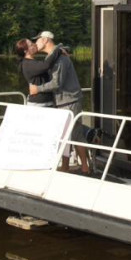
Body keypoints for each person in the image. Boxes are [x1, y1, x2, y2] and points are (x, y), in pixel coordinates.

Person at [29, 30, 95, 174]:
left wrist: (37, 89)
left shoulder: (60, 59)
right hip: (65, 100)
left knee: (74, 134)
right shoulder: (56, 56)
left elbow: (56, 83)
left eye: (38, 40)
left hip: (69, 100)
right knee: (68, 135)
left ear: (45, 40)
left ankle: (83, 168)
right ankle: (72, 167)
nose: (36, 43)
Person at [14, 38, 62, 107]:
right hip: (38, 103)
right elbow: (46, 65)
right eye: (31, 45)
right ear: (26, 51)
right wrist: (58, 49)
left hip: (47, 102)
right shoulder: (27, 64)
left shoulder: (32, 62)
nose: (35, 45)